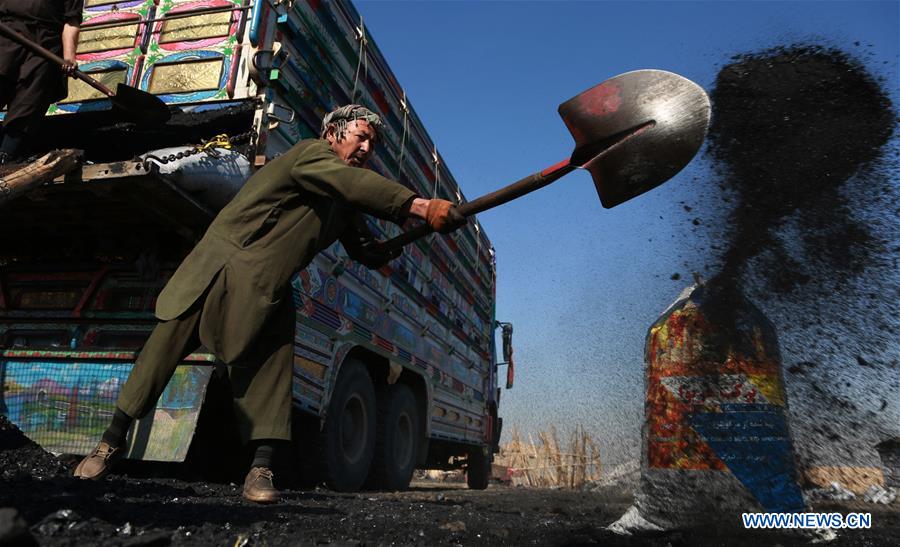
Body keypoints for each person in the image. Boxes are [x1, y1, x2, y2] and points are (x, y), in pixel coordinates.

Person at [73, 105, 466, 503]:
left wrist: (411, 236)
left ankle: (260, 469)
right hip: (218, 270)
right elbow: (352, 185)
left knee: (272, 368)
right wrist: (419, 206)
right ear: (333, 133)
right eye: (360, 136)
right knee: (160, 355)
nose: (366, 147)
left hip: (265, 285)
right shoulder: (311, 156)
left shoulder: (342, 199)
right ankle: (109, 444)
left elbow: (366, 249)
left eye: (372, 143)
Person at [0, 0, 82, 164]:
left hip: (46, 44)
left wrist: (68, 56)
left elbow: (71, 21)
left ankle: (4, 156)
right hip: (6, 34)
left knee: (29, 101)